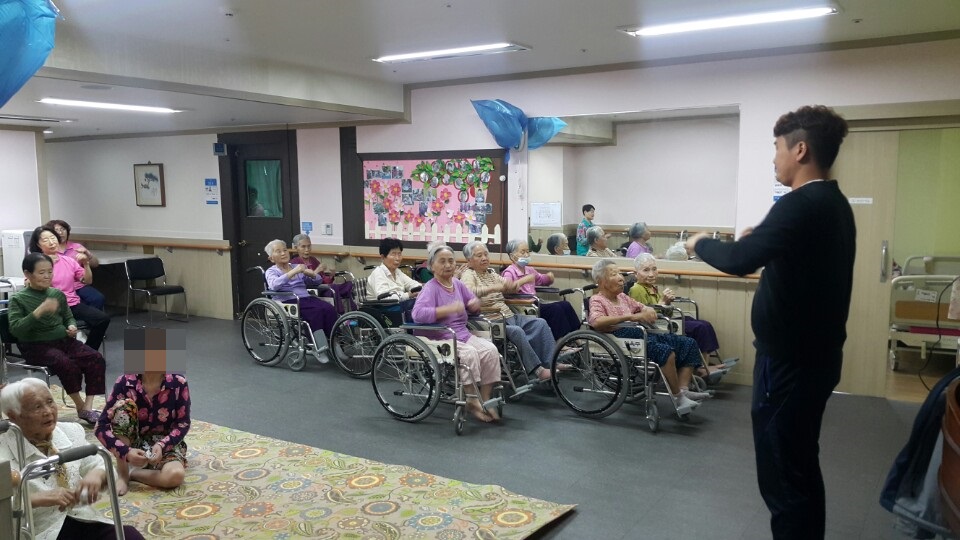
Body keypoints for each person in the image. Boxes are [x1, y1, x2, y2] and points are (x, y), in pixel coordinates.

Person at [685, 105, 854, 540]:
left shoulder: (802, 203)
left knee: (784, 475)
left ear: (800, 150)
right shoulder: (832, 202)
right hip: (811, 359)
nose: (774, 158)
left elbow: (740, 260)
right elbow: (793, 260)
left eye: (777, 147)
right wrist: (760, 244)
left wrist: (701, 243)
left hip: (789, 365)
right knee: (799, 465)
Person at [0, 378, 146, 540]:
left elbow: (100, 464)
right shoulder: (3, 452)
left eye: (50, 402)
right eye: (37, 407)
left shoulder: (70, 431)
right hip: (38, 529)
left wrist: (97, 475)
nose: (48, 411)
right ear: (13, 416)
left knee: (130, 536)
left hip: (80, 518)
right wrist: (34, 500)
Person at [588, 259, 711, 415]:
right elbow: (596, 321)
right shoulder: (597, 299)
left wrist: (647, 310)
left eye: (620, 273)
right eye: (614, 274)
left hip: (642, 334)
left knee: (688, 343)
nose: (621, 278)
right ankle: (678, 397)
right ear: (601, 281)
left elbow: (642, 307)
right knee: (666, 352)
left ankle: (683, 389)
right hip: (622, 338)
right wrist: (631, 317)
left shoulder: (623, 297)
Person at [7, 253, 105, 424]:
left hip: (64, 341)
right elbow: (16, 329)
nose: (47, 276)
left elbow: (68, 317)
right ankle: (80, 406)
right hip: (35, 346)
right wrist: (39, 311)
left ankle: (88, 407)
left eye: (50, 272)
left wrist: (71, 326)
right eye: (41, 272)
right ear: (28, 274)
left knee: (95, 358)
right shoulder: (18, 299)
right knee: (66, 363)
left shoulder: (56, 294)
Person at [411, 244, 502, 423]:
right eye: (442, 261)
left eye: (451, 261)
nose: (448, 265)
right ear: (431, 266)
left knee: (490, 350)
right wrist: (446, 310)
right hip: (439, 337)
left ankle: (485, 398)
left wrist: (474, 304)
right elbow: (417, 314)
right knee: (469, 354)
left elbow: (472, 300)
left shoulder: (457, 284)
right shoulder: (430, 288)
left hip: (462, 334)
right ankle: (472, 399)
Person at [95, 346, 190, 495]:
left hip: (165, 443)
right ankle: (123, 473)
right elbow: (101, 427)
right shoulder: (124, 382)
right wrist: (126, 452)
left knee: (175, 476)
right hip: (132, 442)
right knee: (124, 407)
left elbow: (183, 424)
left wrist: (162, 445)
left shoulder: (178, 382)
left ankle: (133, 473)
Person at [628, 253, 736, 383]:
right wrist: (663, 302)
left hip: (665, 319)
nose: (651, 274)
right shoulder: (637, 289)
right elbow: (647, 316)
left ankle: (704, 365)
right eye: (646, 270)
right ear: (636, 274)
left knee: (705, 324)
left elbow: (662, 310)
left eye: (654, 269)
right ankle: (701, 369)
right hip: (657, 326)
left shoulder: (651, 287)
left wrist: (667, 302)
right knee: (699, 328)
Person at [459, 241, 556, 382]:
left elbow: (509, 286)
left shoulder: (491, 273)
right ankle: (538, 371)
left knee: (540, 323)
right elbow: (469, 292)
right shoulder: (469, 274)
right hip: (489, 320)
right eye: (479, 256)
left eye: (486, 254)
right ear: (469, 260)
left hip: (507, 315)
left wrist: (522, 281)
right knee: (517, 331)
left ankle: (551, 363)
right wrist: (493, 288)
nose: (484, 258)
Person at [28, 226, 110, 352]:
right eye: (45, 240)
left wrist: (86, 264)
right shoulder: (35, 263)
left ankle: (87, 352)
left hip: (72, 304)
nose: (51, 242)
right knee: (60, 329)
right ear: (38, 245)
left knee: (102, 319)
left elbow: (87, 280)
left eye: (53, 238)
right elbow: (31, 285)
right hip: (50, 306)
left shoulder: (68, 261)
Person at [264, 239, 338, 355]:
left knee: (328, 309)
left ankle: (334, 342)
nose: (283, 253)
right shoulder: (272, 271)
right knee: (316, 312)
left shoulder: (296, 267)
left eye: (285, 250)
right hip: (288, 300)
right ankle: (319, 345)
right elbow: (274, 285)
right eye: (278, 251)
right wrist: (293, 272)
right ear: (271, 258)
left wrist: (312, 274)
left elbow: (318, 281)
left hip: (306, 298)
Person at [501, 239, 581, 339]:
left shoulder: (529, 270)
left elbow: (541, 280)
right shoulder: (509, 272)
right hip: (523, 306)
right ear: (512, 256)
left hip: (535, 303)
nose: (526, 255)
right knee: (555, 309)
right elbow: (507, 289)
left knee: (565, 305)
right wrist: (525, 280)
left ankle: (574, 336)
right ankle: (559, 341)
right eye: (523, 252)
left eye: (528, 251)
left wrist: (549, 278)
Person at [45, 219, 105, 311]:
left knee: (97, 298)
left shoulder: (76, 247)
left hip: (78, 284)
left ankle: (89, 318)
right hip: (60, 286)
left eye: (63, 229)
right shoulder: (49, 250)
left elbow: (95, 264)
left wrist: (88, 255)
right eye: (56, 230)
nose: (60, 233)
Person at [290, 233, 356, 314]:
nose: (307, 249)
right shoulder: (294, 263)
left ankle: (354, 312)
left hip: (323, 287)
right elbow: (302, 281)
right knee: (333, 289)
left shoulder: (313, 260)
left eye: (309, 246)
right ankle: (340, 314)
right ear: (296, 248)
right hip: (311, 290)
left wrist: (331, 276)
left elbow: (323, 279)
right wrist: (317, 271)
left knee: (349, 284)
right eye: (303, 247)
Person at [366, 237, 420, 322]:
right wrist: (408, 295)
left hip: (398, 306)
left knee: (421, 304)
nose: (397, 258)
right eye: (393, 254)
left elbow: (411, 283)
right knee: (417, 309)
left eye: (399, 254)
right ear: (383, 257)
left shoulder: (397, 272)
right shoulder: (378, 274)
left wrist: (421, 289)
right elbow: (383, 298)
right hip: (382, 310)